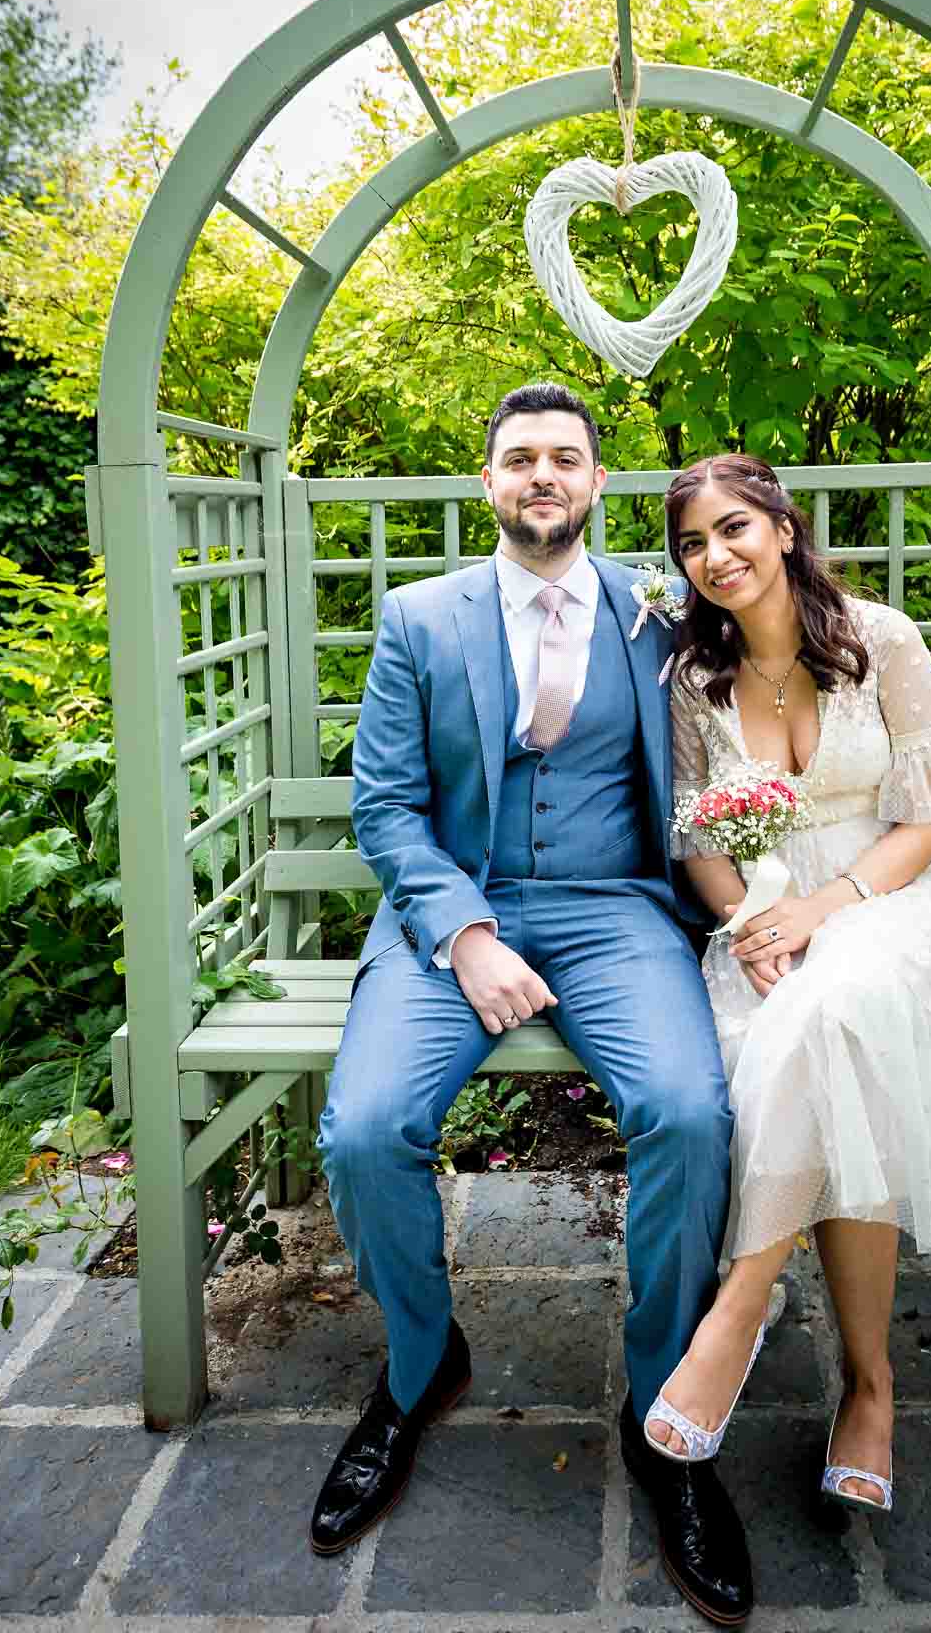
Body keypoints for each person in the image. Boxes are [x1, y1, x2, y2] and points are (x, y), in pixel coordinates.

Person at [310, 385, 754, 1627]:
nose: (542, 475)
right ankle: (416, 1366)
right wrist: (461, 933)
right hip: (458, 909)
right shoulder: (418, 618)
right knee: (361, 1128)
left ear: (599, 484)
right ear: (488, 484)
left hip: (615, 908)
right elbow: (386, 807)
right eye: (519, 458)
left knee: (688, 1113)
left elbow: (785, 665)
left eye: (566, 457)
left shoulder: (659, 613)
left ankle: (665, 1409)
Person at [643, 454, 931, 1513]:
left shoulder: (881, 639)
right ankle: (871, 1389)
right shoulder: (692, 677)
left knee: (844, 1003)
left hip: (892, 906)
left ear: (782, 528)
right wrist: (746, 922)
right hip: (763, 924)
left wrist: (825, 906)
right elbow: (693, 830)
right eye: (692, 545)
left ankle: (741, 1303)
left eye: (732, 530)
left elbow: (930, 814)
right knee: (834, 1040)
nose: (715, 557)